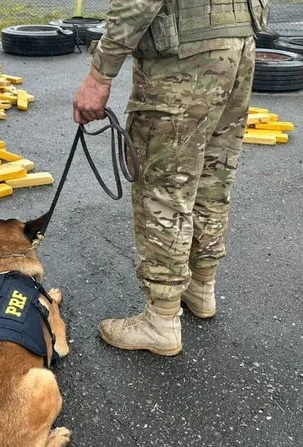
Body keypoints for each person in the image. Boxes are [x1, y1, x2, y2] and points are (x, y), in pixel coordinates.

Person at [73, 0, 270, 356]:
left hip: (185, 57)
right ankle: (201, 287)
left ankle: (161, 321)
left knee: (164, 187)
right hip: (239, 44)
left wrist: (100, 75)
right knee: (215, 174)